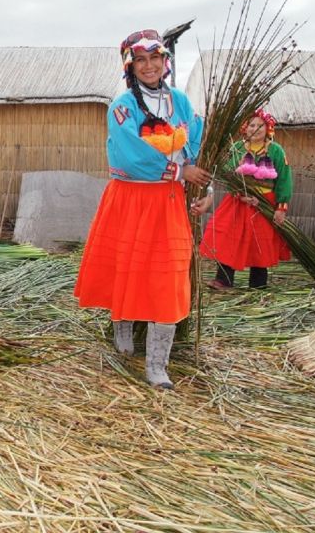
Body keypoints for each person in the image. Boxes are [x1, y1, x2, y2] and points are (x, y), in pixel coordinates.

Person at [74, 29, 210, 390]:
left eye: (156, 58)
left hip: (168, 203)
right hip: (131, 200)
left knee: (168, 278)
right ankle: (122, 331)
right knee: (127, 267)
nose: (149, 66)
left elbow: (194, 144)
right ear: (130, 67)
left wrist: (203, 188)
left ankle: (157, 365)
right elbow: (131, 156)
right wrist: (180, 172)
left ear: (166, 62)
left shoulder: (180, 102)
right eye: (141, 60)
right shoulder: (122, 107)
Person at [197, 109, 292, 289]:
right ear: (245, 128)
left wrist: (281, 207)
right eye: (252, 125)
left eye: (260, 125)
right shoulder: (237, 148)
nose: (255, 129)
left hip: (263, 203)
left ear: (268, 128)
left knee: (260, 241)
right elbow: (226, 172)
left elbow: (284, 179)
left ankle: (258, 284)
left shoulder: (276, 151)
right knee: (229, 237)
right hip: (238, 201)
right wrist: (241, 193)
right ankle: (223, 279)